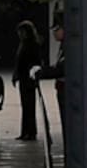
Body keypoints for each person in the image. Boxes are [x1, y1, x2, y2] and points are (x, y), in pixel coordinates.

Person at [30, 16, 66, 149]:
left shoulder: (69, 46)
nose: (54, 33)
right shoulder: (64, 45)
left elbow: (61, 69)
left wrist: (42, 72)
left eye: (57, 29)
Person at [11, 20, 43, 141]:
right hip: (24, 78)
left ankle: (30, 132)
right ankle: (26, 131)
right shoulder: (24, 44)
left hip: (28, 78)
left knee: (29, 106)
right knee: (26, 106)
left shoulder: (31, 45)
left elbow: (31, 62)